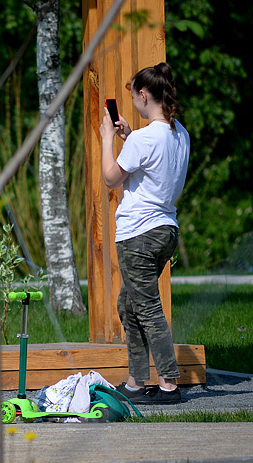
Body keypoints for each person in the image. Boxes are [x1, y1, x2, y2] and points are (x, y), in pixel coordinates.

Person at [100, 62, 190, 405]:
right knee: (130, 305)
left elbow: (111, 178)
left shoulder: (142, 138)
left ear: (143, 95)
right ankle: (136, 382)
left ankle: (168, 384)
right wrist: (127, 137)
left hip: (138, 233)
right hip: (166, 229)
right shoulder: (180, 133)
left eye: (133, 95)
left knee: (147, 308)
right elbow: (156, 167)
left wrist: (109, 139)